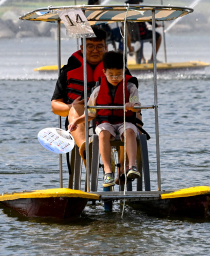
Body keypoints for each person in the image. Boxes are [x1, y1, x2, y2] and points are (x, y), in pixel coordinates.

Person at [50, 26, 110, 155]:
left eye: (99, 47)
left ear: (106, 49)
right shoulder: (68, 71)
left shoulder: (118, 70)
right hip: (79, 119)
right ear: (82, 48)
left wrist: (133, 104)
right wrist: (71, 106)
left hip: (111, 116)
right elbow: (55, 106)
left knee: (130, 119)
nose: (95, 51)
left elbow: (133, 93)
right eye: (90, 46)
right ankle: (85, 149)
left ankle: (124, 170)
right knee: (75, 110)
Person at [91, 50, 142, 189]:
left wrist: (132, 106)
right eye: (111, 75)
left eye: (119, 74)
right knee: (103, 134)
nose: (115, 78)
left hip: (124, 122)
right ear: (104, 72)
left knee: (130, 131)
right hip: (105, 123)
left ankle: (132, 167)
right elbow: (91, 112)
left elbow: (137, 107)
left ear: (124, 71)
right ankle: (108, 171)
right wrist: (76, 122)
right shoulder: (97, 90)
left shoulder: (131, 88)